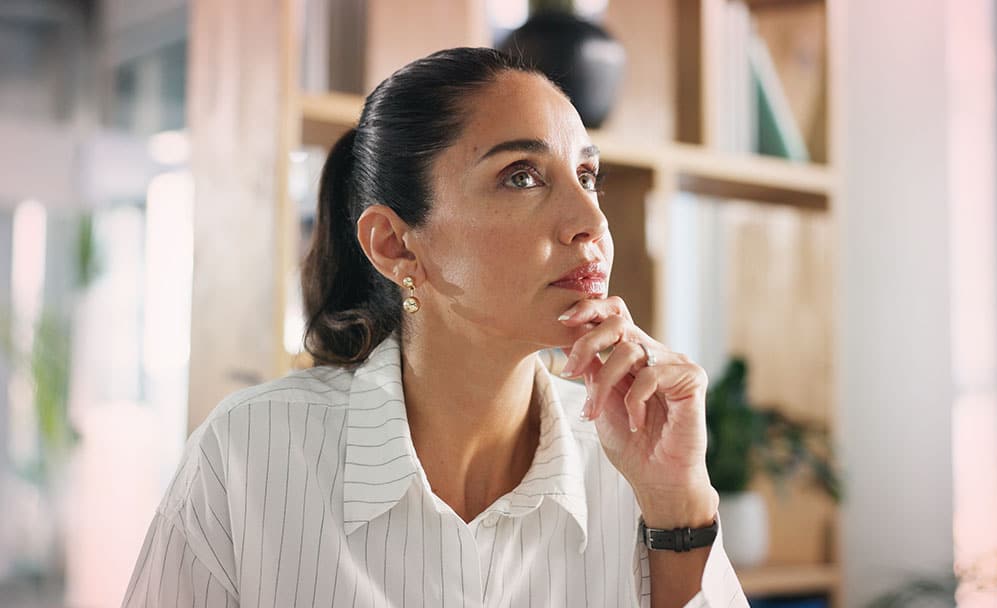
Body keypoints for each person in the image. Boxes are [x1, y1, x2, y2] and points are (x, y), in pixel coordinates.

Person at [122, 47, 749, 607]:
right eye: (522, 176)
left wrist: (678, 505)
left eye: (588, 177)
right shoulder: (247, 455)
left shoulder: (632, 465)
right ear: (395, 245)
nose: (591, 219)